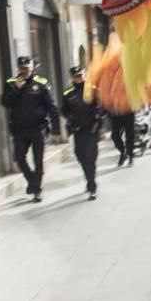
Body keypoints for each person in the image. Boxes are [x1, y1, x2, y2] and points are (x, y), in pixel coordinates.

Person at [1, 56, 59, 202]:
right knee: (19, 158)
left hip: (37, 128)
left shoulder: (42, 82)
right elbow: (5, 103)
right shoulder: (11, 83)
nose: (24, 70)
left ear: (32, 67)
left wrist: (56, 127)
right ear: (18, 69)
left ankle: (37, 190)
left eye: (27, 67)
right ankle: (32, 181)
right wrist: (16, 89)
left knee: (38, 160)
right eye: (22, 68)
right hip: (19, 129)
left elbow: (51, 106)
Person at [61, 66, 102, 201]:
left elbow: (102, 106)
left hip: (92, 129)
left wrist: (97, 116)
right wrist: (70, 118)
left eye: (81, 75)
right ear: (72, 77)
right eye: (76, 76)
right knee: (80, 156)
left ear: (85, 75)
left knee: (90, 157)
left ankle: (92, 187)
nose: (79, 78)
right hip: (78, 130)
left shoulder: (93, 89)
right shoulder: (68, 93)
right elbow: (64, 110)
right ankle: (89, 178)